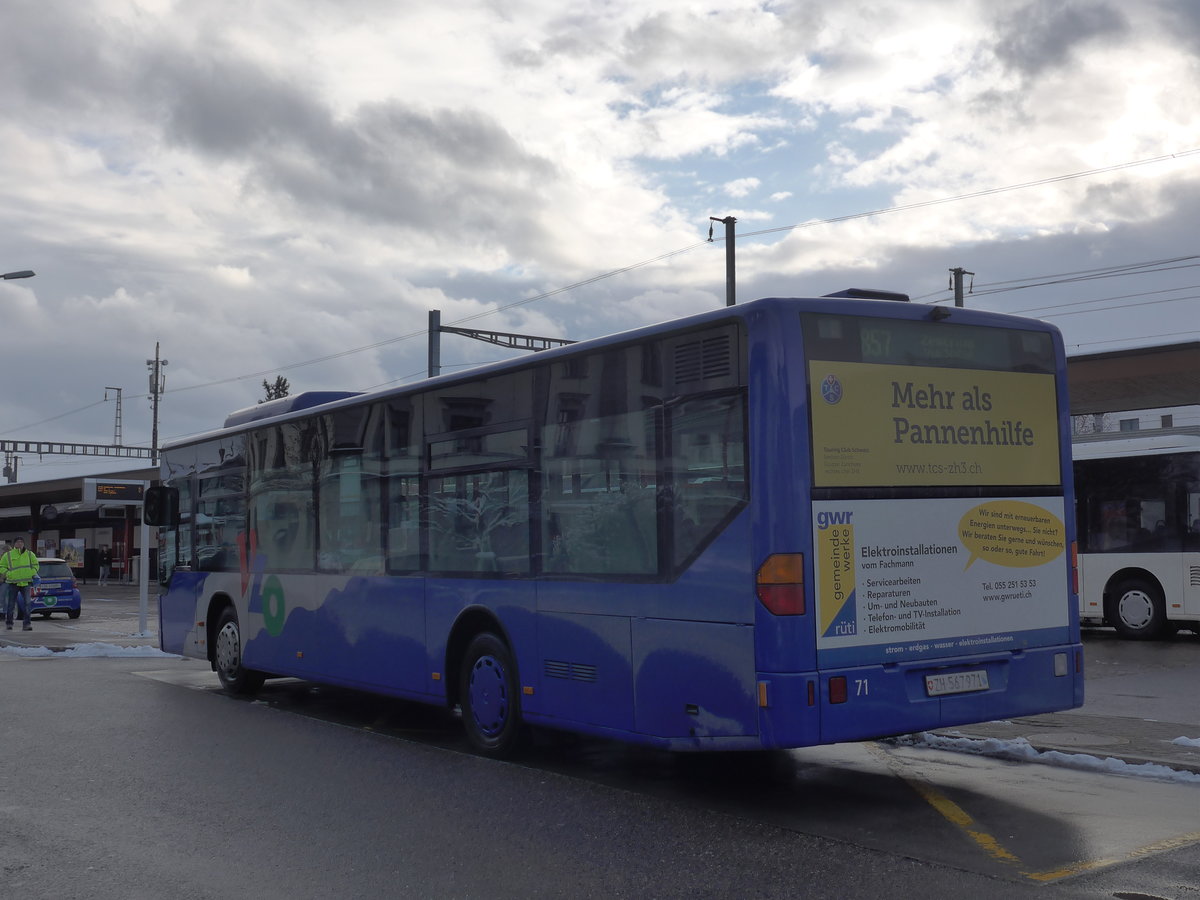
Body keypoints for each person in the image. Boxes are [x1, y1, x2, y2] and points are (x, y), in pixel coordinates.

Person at [0, 537, 40, 631]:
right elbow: (2, 566)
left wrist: (32, 572)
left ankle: (27, 624)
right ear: (14, 544)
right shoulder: (8, 555)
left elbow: (36, 565)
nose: (20, 544)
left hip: (26, 583)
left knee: (27, 603)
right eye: (18, 542)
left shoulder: (30, 554)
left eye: (21, 542)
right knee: (11, 604)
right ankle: (9, 623)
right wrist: (8, 574)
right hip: (13, 582)